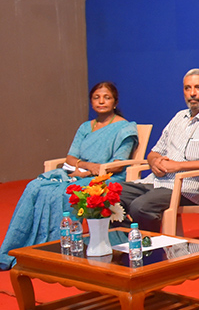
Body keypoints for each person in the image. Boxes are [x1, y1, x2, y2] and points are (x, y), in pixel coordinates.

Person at [0, 82, 138, 269]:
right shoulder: (86, 127)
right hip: (80, 173)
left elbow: (118, 164)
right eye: (96, 98)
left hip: (106, 177)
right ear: (91, 102)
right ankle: (18, 250)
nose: (101, 101)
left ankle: (58, 249)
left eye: (107, 98)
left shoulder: (124, 128)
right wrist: (85, 167)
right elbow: (71, 158)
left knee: (67, 192)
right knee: (35, 186)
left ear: (115, 102)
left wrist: (92, 171)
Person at [119, 69, 199, 232]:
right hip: (154, 181)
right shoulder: (179, 117)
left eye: (198, 87)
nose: (192, 93)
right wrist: (155, 162)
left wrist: (179, 166)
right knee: (108, 197)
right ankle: (127, 241)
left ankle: (150, 245)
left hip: (187, 188)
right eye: (188, 88)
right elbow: (154, 152)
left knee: (140, 207)